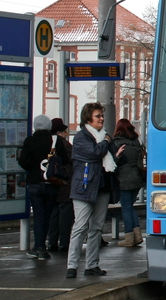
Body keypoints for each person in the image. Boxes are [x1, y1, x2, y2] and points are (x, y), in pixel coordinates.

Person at [66, 102, 125, 278]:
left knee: (97, 228)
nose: (101, 119)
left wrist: (118, 156)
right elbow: (94, 153)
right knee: (80, 226)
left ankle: (92, 265)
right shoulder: (82, 137)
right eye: (97, 116)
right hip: (84, 187)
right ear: (88, 118)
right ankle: (72, 265)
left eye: (102, 116)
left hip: (102, 187)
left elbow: (113, 160)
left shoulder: (105, 137)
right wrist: (106, 142)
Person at [18, 114, 58, 260]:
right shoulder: (54, 141)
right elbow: (65, 160)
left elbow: (22, 161)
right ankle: (41, 245)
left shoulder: (30, 141)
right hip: (51, 183)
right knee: (47, 216)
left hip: (35, 182)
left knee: (39, 216)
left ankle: (40, 247)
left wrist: (33, 169)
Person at [113, 119, 145, 247]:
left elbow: (115, 162)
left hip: (124, 179)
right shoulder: (136, 143)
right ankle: (137, 236)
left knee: (126, 208)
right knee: (130, 206)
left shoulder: (117, 143)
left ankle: (129, 237)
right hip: (137, 179)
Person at [46, 118, 74, 253]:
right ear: (59, 132)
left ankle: (52, 242)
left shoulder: (47, 143)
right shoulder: (64, 144)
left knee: (53, 215)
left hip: (51, 183)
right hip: (64, 184)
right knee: (65, 216)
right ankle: (64, 243)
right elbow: (73, 159)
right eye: (65, 131)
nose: (66, 134)